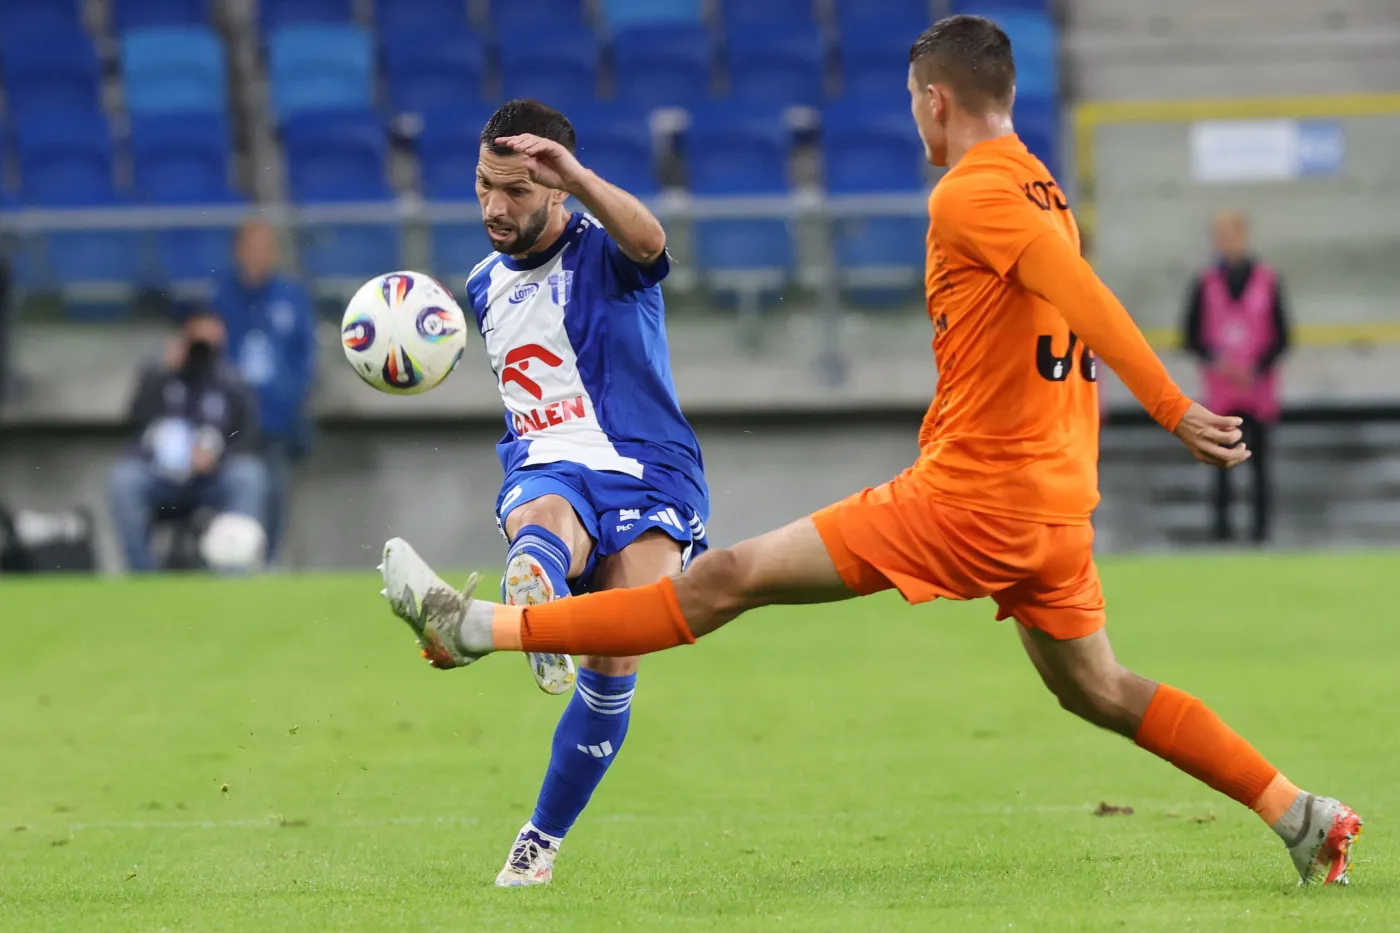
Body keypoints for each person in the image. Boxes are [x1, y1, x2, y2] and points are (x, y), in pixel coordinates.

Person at [379, 18, 1361, 887]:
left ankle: (482, 629)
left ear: (935, 101)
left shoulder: (967, 194)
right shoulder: (1038, 183)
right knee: (1097, 689)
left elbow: (1081, 293)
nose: (912, 121)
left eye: (910, 103)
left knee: (726, 578)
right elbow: (1061, 287)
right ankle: (1295, 812)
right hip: (1053, 509)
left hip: (969, 498)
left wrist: (1171, 404)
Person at [390, 99, 709, 886]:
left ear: (558, 190)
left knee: (624, 647)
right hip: (547, 465)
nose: (496, 206)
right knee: (543, 512)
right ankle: (536, 584)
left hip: (646, 467)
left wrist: (580, 178)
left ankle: (538, 840)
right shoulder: (480, 285)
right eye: (483, 185)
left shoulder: (607, 253)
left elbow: (653, 240)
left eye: (519, 192)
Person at [107, 309, 269, 572]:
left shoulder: (232, 382)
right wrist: (163, 371)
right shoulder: (159, 376)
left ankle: (235, 570)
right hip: (160, 476)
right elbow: (135, 421)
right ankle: (142, 574)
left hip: (212, 477)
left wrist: (217, 457)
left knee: (248, 475)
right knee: (124, 479)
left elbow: (248, 434)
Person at [1183, 211, 1291, 544]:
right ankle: (1222, 537)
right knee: (1220, 468)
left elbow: (1283, 336)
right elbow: (1190, 336)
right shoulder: (1204, 282)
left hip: (1258, 392)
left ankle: (1261, 535)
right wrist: (1219, 361)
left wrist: (1256, 368)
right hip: (1221, 395)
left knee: (1260, 468)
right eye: (1220, 234)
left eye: (1231, 233)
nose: (1226, 241)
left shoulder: (1268, 280)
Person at [213, 219, 317, 563]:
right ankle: (231, 560)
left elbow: (305, 354)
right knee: (237, 491)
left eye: (267, 247)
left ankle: (268, 561)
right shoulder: (221, 298)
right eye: (253, 247)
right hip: (230, 423)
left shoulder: (290, 296)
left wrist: (294, 395)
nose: (261, 255)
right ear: (237, 252)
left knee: (274, 492)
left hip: (276, 420)